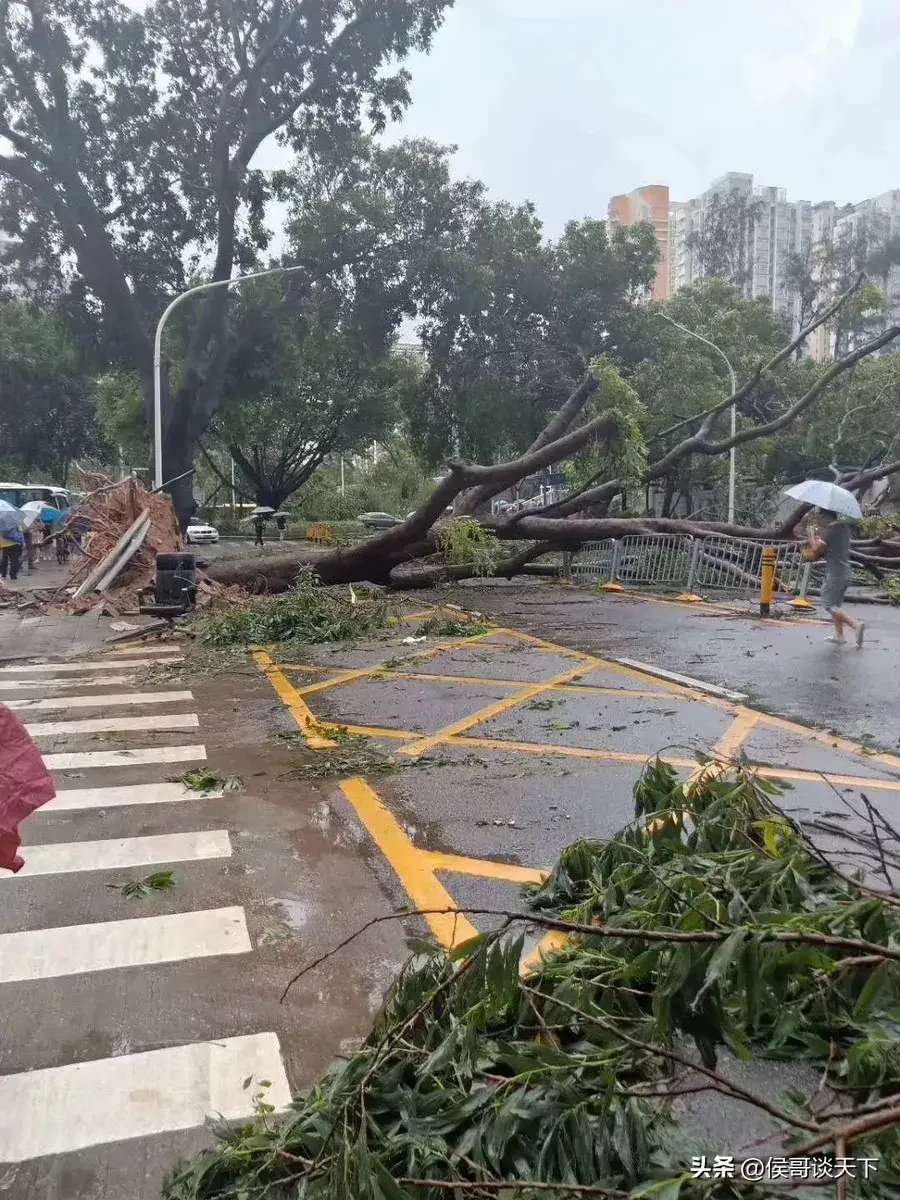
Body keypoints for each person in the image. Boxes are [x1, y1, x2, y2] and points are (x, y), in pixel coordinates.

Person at [806, 509, 865, 647]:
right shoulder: (844, 528)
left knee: (828, 603)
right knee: (836, 605)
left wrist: (811, 535)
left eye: (821, 515)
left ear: (826, 515)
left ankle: (855, 625)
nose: (820, 519)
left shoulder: (831, 530)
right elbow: (830, 545)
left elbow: (815, 549)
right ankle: (839, 636)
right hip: (845, 571)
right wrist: (819, 539)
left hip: (835, 574)